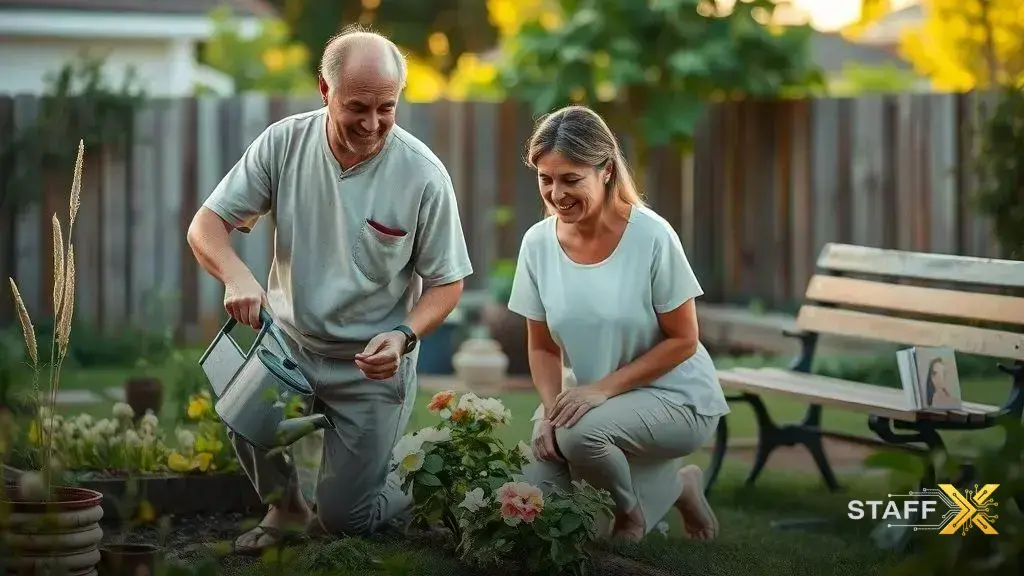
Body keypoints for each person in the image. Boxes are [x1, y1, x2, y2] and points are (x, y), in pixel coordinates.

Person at [186, 26, 473, 553]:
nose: (372, 124)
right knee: (243, 417)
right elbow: (205, 227)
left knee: (345, 521)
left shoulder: (423, 174)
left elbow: (447, 283)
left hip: (371, 360)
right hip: (288, 343)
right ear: (325, 92)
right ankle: (288, 508)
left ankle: (423, 471)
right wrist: (237, 276)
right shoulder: (283, 142)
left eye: (386, 108)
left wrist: (404, 335)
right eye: (357, 107)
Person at [506, 105, 731, 541]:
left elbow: (684, 340)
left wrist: (598, 391)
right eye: (545, 179)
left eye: (571, 179)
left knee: (577, 437)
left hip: (678, 398)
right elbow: (541, 347)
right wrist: (552, 409)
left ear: (606, 171)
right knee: (537, 496)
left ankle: (632, 515)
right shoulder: (536, 244)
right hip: (600, 403)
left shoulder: (651, 235)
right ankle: (678, 487)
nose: (556, 194)